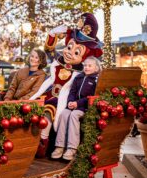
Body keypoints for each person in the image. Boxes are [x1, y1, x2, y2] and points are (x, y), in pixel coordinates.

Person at [30, 13, 103, 158]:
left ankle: (43, 144)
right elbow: (49, 50)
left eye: (76, 52)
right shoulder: (59, 61)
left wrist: (73, 102)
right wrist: (53, 33)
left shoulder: (80, 73)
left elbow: (83, 91)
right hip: (50, 95)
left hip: (64, 101)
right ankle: (32, 142)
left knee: (48, 112)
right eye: (69, 48)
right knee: (36, 109)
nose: (70, 53)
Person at [51, 56, 101, 160]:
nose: (86, 67)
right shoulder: (78, 78)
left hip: (85, 107)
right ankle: (60, 146)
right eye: (85, 65)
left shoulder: (96, 80)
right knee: (64, 114)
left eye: (89, 66)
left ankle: (72, 148)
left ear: (96, 68)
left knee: (74, 115)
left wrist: (77, 104)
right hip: (73, 105)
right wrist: (70, 102)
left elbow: (91, 97)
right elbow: (72, 92)